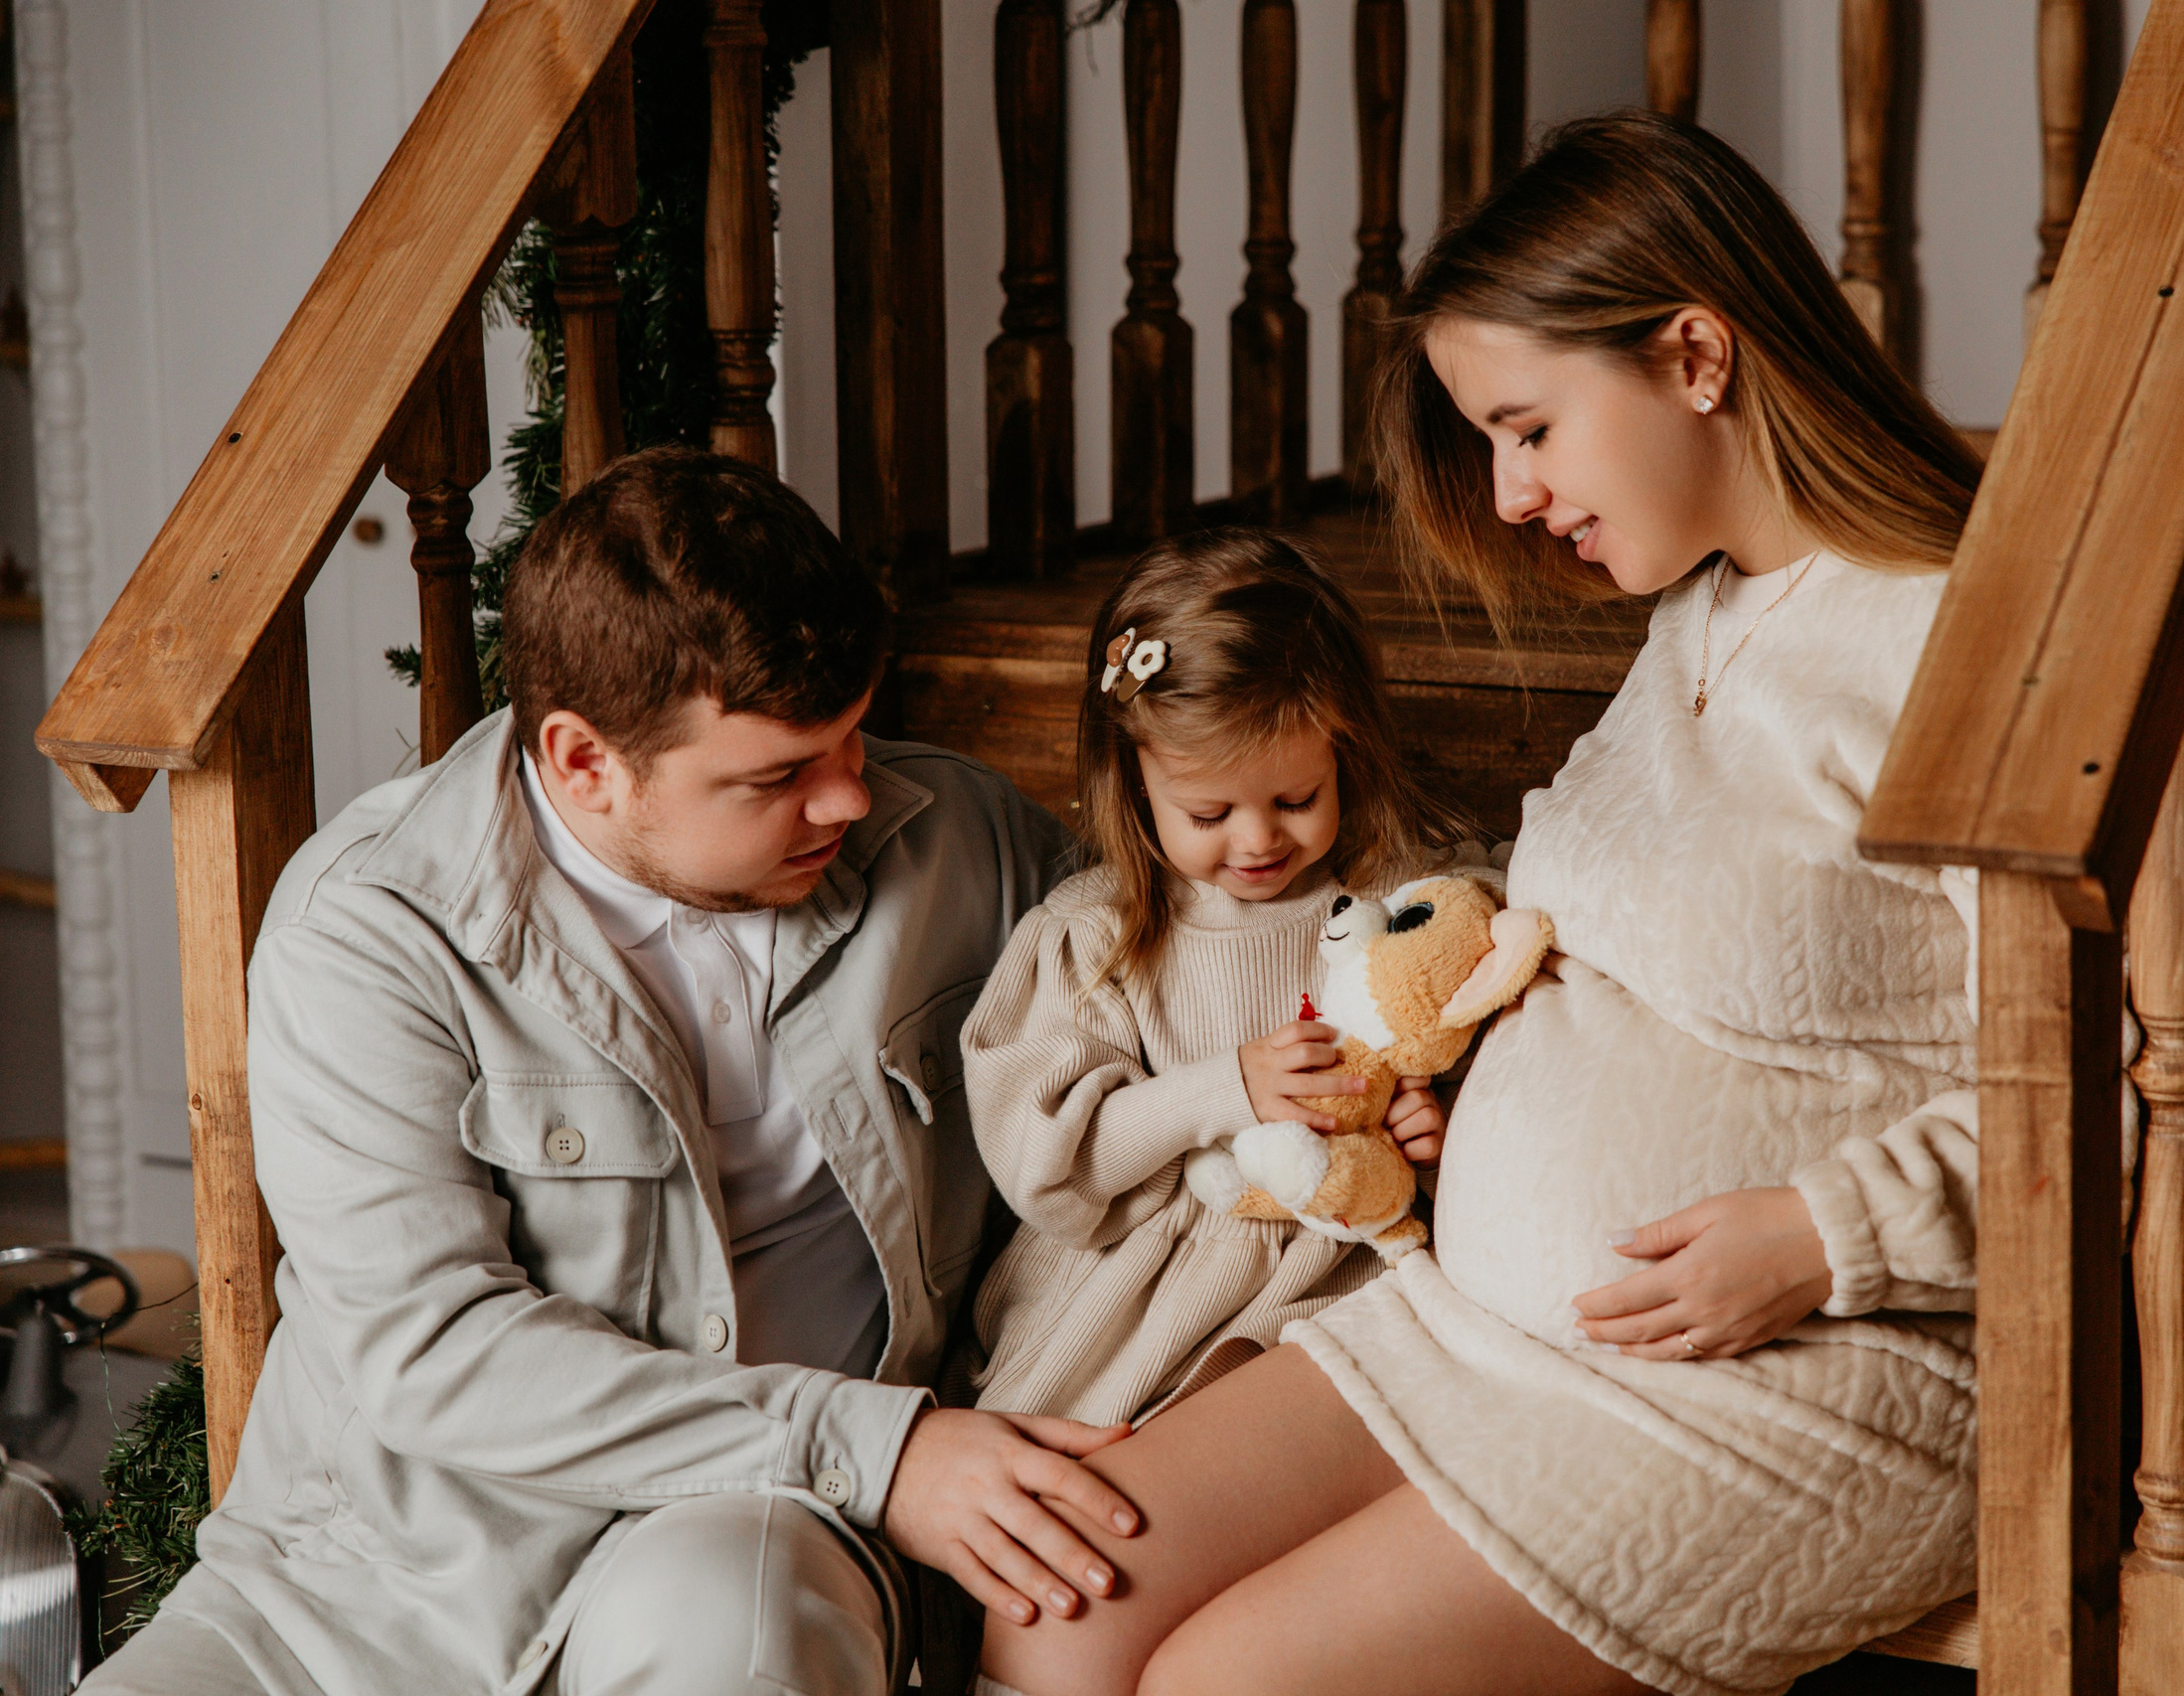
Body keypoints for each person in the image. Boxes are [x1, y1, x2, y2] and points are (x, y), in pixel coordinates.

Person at [971, 112, 1991, 1696]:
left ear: (1697, 354)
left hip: (1799, 1369)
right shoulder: (1704, 615)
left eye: (1528, 427)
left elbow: (2123, 1089)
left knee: (1217, 1685)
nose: (1511, 493)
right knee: (1060, 1606)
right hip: (1473, 1318)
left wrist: (1820, 1231)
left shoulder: (1954, 642)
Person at [82, 447, 1148, 1696]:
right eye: (780, 775)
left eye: (853, 738)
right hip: (375, 1587)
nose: (851, 796)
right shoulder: (369, 928)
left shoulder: (964, 845)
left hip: (751, 1536)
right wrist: (887, 1451)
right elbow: (438, 1350)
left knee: (723, 1625)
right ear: (584, 760)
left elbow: (1212, 942)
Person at [955, 532, 1471, 1465]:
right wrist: (1227, 1088)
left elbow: (1449, 1048)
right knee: (1100, 1458)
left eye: (1297, 796)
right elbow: (1048, 1162)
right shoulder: (1099, 938)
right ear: (1133, 777)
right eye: (1208, 814)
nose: (1259, 840)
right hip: (1147, 1285)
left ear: (1349, 748)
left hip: (1334, 1260)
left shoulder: (1401, 905)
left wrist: (1431, 1132)